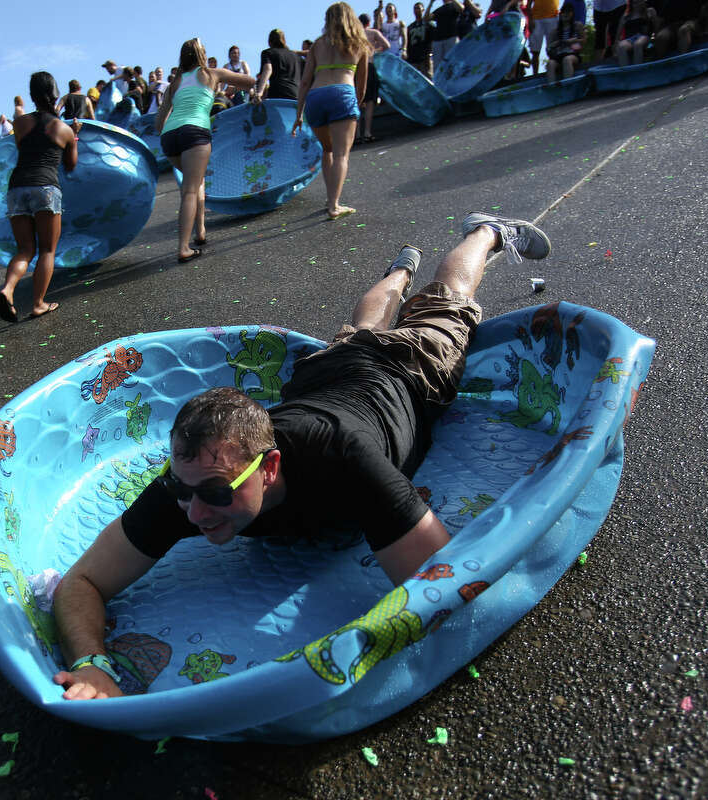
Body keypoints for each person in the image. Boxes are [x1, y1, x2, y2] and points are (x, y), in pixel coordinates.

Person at [49, 211, 552, 701]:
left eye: (215, 494)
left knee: (448, 302)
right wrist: (91, 664)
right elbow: (81, 583)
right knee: (359, 331)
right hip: (328, 372)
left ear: (268, 468)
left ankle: (485, 231)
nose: (195, 513)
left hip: (409, 370)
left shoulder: (344, 460)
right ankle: (398, 271)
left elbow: (445, 585)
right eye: (183, 490)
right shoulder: (190, 481)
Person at [0, 72, 82, 323]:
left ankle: (7, 290)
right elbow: (71, 165)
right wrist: (74, 135)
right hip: (46, 188)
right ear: (56, 94)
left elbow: (24, 149)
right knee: (47, 250)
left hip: (17, 187)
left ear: (31, 95)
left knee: (24, 250)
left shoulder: (20, 123)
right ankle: (39, 303)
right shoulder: (62, 129)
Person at [157, 38, 256, 263]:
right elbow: (250, 81)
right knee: (190, 190)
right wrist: (227, 86)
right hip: (195, 132)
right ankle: (183, 247)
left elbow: (158, 121)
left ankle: (200, 230)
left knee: (196, 181)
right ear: (202, 55)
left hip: (170, 136)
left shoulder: (176, 82)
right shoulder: (212, 74)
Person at [293, 2, 372, 220]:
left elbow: (305, 81)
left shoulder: (317, 44)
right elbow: (362, 86)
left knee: (327, 150)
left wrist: (299, 114)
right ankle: (334, 206)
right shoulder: (359, 44)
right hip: (342, 93)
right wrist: (356, 103)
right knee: (341, 154)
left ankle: (330, 200)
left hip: (316, 97)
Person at [357, 13, 391, 144]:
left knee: (358, 100)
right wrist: (375, 50)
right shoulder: (373, 33)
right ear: (368, 22)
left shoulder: (354, 35)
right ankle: (367, 132)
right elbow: (387, 45)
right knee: (370, 100)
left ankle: (357, 134)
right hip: (369, 65)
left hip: (357, 67)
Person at [252, 29, 303, 101]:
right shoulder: (297, 57)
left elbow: (268, 69)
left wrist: (259, 93)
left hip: (277, 94)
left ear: (269, 42)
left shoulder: (268, 52)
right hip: (296, 96)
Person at [615, 0, 657, 65]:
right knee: (621, 46)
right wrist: (616, 46)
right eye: (635, 3)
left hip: (644, 36)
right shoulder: (626, 16)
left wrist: (654, 42)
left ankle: (638, 69)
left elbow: (656, 27)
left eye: (639, 2)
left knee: (638, 44)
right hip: (630, 39)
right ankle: (626, 71)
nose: (637, 5)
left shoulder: (649, 11)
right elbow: (618, 35)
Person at [527, 0, 561, 74]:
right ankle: (534, 74)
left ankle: (553, 71)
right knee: (535, 51)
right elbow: (528, 4)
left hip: (553, 17)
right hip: (536, 18)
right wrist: (530, 20)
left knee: (552, 49)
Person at [406, 2, 435, 77]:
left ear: (423, 10)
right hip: (413, 59)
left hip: (425, 58)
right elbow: (407, 43)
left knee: (428, 79)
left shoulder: (429, 24)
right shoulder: (410, 27)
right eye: (415, 8)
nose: (416, 10)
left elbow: (433, 39)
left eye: (418, 8)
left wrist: (430, 54)